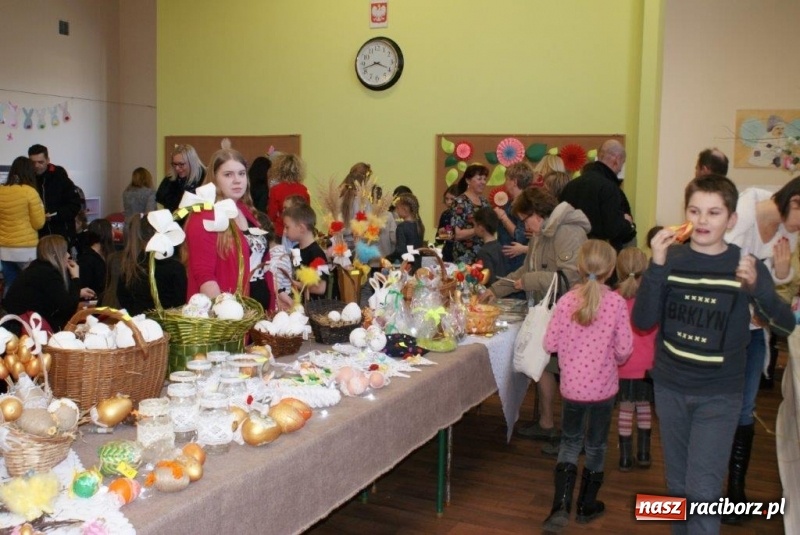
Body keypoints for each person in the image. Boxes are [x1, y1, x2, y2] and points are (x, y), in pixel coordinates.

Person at [632, 174, 794, 535]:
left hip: (719, 395)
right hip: (670, 389)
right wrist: (655, 265)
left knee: (702, 491)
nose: (703, 220)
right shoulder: (670, 259)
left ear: (732, 220)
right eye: (695, 210)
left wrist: (758, 290)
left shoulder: (746, 264)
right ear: (686, 214)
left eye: (714, 212)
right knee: (677, 487)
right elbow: (642, 321)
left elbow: (785, 325)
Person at [482, 188, 590, 445]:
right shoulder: (544, 232)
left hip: (568, 313)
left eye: (525, 218)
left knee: (568, 374)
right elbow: (526, 268)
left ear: (538, 213)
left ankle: (573, 436)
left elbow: (570, 278)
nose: (523, 224)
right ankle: (547, 423)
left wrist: (527, 281)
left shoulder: (568, 232)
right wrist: (495, 290)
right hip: (549, 310)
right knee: (545, 367)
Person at [720, 175, 800, 524]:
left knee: (745, 408)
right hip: (721, 330)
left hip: (753, 332)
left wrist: (783, 273)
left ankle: (735, 491)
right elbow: (721, 269)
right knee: (716, 406)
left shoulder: (789, 229)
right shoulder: (743, 209)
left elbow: (776, 282)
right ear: (794, 201)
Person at [542, 239, 633, 531]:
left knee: (570, 443)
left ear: (579, 267)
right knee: (596, 446)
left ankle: (560, 507)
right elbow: (624, 350)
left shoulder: (567, 301)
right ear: (611, 270)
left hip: (571, 389)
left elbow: (549, 343)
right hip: (604, 390)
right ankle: (586, 505)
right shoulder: (617, 303)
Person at [184, 146, 275, 311]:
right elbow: (204, 276)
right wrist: (226, 314)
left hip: (259, 308)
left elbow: (261, 261)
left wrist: (278, 294)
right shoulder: (204, 217)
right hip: (230, 314)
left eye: (241, 173)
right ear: (214, 179)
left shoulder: (247, 211)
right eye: (228, 174)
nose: (237, 180)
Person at [614, 247, 657, 472]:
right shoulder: (652, 298)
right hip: (648, 368)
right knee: (644, 408)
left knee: (625, 409)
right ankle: (643, 454)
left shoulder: (613, 298)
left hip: (623, 366)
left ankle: (624, 458)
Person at [4, 235, 95, 331]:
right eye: (64, 252)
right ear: (55, 255)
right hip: (23, 327)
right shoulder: (48, 273)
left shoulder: (39, 268)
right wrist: (75, 277)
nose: (68, 255)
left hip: (19, 322)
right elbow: (68, 308)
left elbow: (58, 297)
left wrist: (78, 292)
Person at [560, 140, 636, 251]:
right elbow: (613, 229)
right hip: (602, 256)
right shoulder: (610, 188)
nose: (620, 169)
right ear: (617, 159)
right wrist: (627, 223)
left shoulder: (570, 186)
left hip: (572, 252)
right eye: (622, 163)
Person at [117, 214, 187, 316]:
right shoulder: (175, 268)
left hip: (138, 323)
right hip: (168, 325)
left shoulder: (130, 265)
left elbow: (122, 297)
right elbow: (180, 304)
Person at [0, 156, 45, 295]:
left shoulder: (1, 191)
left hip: (5, 248)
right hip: (27, 249)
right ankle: (28, 315)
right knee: (30, 286)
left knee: (10, 283)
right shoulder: (30, 192)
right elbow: (39, 223)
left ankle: (8, 314)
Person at [27, 144, 82, 246]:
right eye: (33, 162)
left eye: (41, 162)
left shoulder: (59, 175)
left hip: (61, 234)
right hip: (37, 236)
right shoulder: (27, 177)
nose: (36, 166)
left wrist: (54, 215)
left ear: (48, 160)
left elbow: (74, 204)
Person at [283, 203, 327, 299]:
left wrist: (292, 283)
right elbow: (295, 273)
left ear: (301, 228)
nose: (284, 231)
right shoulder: (295, 250)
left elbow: (320, 288)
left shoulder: (318, 254)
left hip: (312, 308)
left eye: (287, 227)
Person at [451, 164, 491, 264]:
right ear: (468, 180)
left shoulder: (484, 202)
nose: (483, 182)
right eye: (479, 179)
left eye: (484, 179)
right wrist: (478, 229)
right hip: (465, 257)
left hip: (483, 255)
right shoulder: (460, 202)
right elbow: (457, 234)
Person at [496, 162, 532, 272]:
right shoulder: (514, 202)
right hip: (510, 257)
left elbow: (520, 236)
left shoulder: (523, 203)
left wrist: (503, 217)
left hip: (516, 260)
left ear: (515, 182)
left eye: (507, 179)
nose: (505, 183)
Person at [267, 154, 310, 238]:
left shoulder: (275, 189)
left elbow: (272, 215)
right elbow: (307, 214)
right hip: (299, 231)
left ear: (280, 170)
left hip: (281, 231)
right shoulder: (304, 189)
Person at [156, 144, 206, 213]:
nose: (177, 168)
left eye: (181, 164)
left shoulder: (204, 178)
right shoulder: (170, 179)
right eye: (174, 164)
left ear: (191, 163)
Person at [77, 219, 114, 303]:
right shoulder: (86, 260)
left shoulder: (108, 255)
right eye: (111, 230)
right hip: (94, 304)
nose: (113, 234)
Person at [387, 193, 425, 273]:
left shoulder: (402, 227)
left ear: (405, 209)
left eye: (397, 208)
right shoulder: (420, 225)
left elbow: (400, 250)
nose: (396, 211)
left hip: (406, 267)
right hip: (417, 266)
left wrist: (387, 258)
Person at [473, 207, 509, 286]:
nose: (474, 228)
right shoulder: (500, 246)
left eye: (474, 225)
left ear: (481, 227)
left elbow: (487, 280)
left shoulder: (484, 253)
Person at [436, 185, 459, 262]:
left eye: (452, 199)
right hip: (447, 254)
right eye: (446, 199)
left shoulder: (463, 215)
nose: (448, 202)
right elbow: (438, 240)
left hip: (460, 253)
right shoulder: (445, 214)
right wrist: (440, 234)